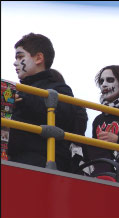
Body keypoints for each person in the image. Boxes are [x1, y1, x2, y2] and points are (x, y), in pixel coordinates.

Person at [8, 33, 88, 172]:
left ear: (39, 58)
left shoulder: (59, 88)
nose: (15, 63)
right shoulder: (19, 91)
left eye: (20, 57)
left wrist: (24, 99)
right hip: (13, 159)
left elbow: (64, 116)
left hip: (42, 162)